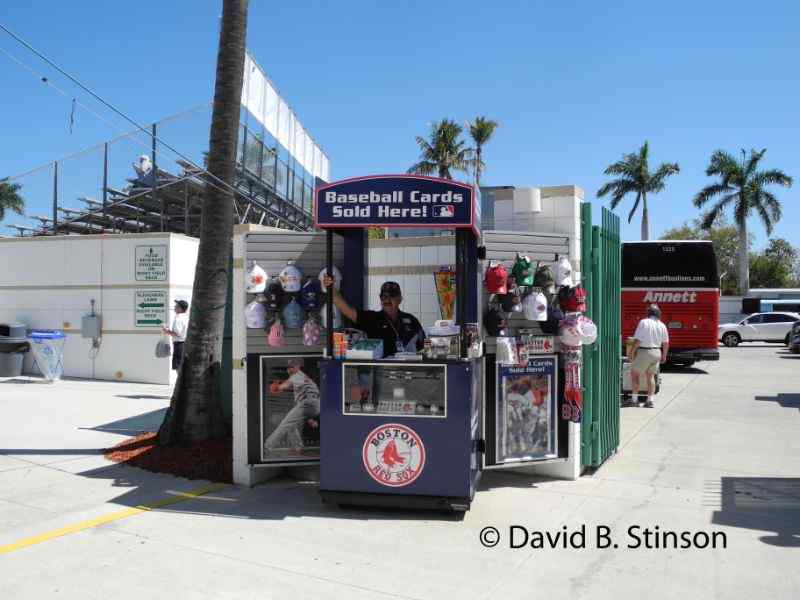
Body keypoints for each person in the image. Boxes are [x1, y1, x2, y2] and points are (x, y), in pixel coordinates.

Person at [322, 276, 425, 357]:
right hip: (381, 372)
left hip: (407, 372)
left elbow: (424, 347)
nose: (387, 300)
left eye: (392, 296)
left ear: (400, 299)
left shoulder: (411, 320)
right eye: (384, 296)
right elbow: (347, 310)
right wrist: (331, 288)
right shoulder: (372, 318)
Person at [264, 358, 321, 453]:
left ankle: (267, 446)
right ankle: (298, 447)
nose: (289, 369)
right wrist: (310, 418)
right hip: (315, 405)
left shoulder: (296, 376)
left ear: (297, 367)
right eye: (288, 367)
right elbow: (306, 401)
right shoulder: (304, 377)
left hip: (308, 404)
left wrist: (275, 387)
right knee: (291, 424)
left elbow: (281, 387)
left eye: (292, 367)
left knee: (284, 424)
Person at [628, 304, 670, 408]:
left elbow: (638, 340)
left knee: (635, 374)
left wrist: (632, 353)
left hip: (645, 351)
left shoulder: (644, 322)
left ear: (649, 313)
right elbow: (666, 343)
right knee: (651, 377)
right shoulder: (662, 325)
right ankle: (650, 401)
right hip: (657, 352)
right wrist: (664, 356)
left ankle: (634, 400)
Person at [161, 300, 189, 371]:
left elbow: (176, 333)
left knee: (178, 366)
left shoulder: (178, 318)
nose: (174, 307)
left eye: (176, 306)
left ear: (180, 308)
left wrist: (166, 330)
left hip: (179, 345)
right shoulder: (187, 317)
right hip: (186, 343)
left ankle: (180, 382)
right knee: (183, 366)